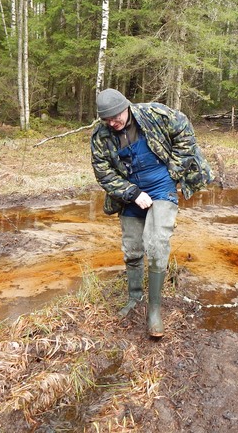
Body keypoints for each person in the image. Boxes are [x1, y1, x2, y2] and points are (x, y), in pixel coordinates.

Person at [90, 88, 213, 338]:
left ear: (126, 107)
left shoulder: (154, 114)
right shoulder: (101, 136)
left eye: (116, 117)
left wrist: (174, 171)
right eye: (107, 119)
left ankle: (154, 310)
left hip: (161, 185)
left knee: (157, 242)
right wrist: (132, 193)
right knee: (132, 248)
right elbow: (103, 173)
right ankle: (134, 298)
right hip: (129, 192)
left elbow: (184, 130)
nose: (112, 123)